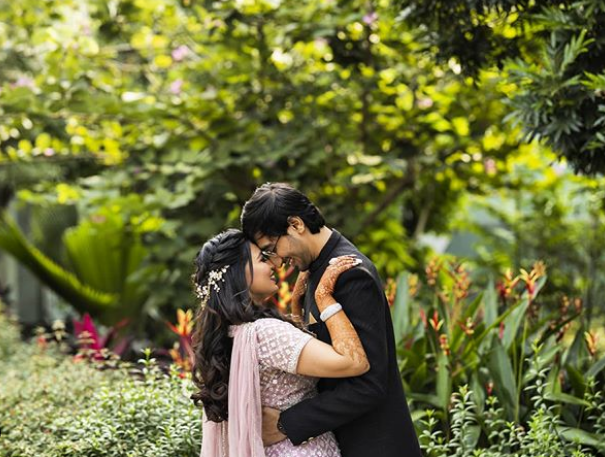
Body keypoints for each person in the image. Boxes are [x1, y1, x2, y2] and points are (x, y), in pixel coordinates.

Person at [241, 183, 422, 457]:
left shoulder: (350, 274)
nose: (276, 262)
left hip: (373, 445)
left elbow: (370, 384)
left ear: (296, 224)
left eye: (272, 248)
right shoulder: (315, 271)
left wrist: (286, 423)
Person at [190, 228, 370, 457]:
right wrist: (324, 298)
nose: (274, 265)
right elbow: (354, 363)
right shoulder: (265, 333)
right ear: (239, 273)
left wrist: (297, 307)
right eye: (262, 259)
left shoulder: (230, 333)